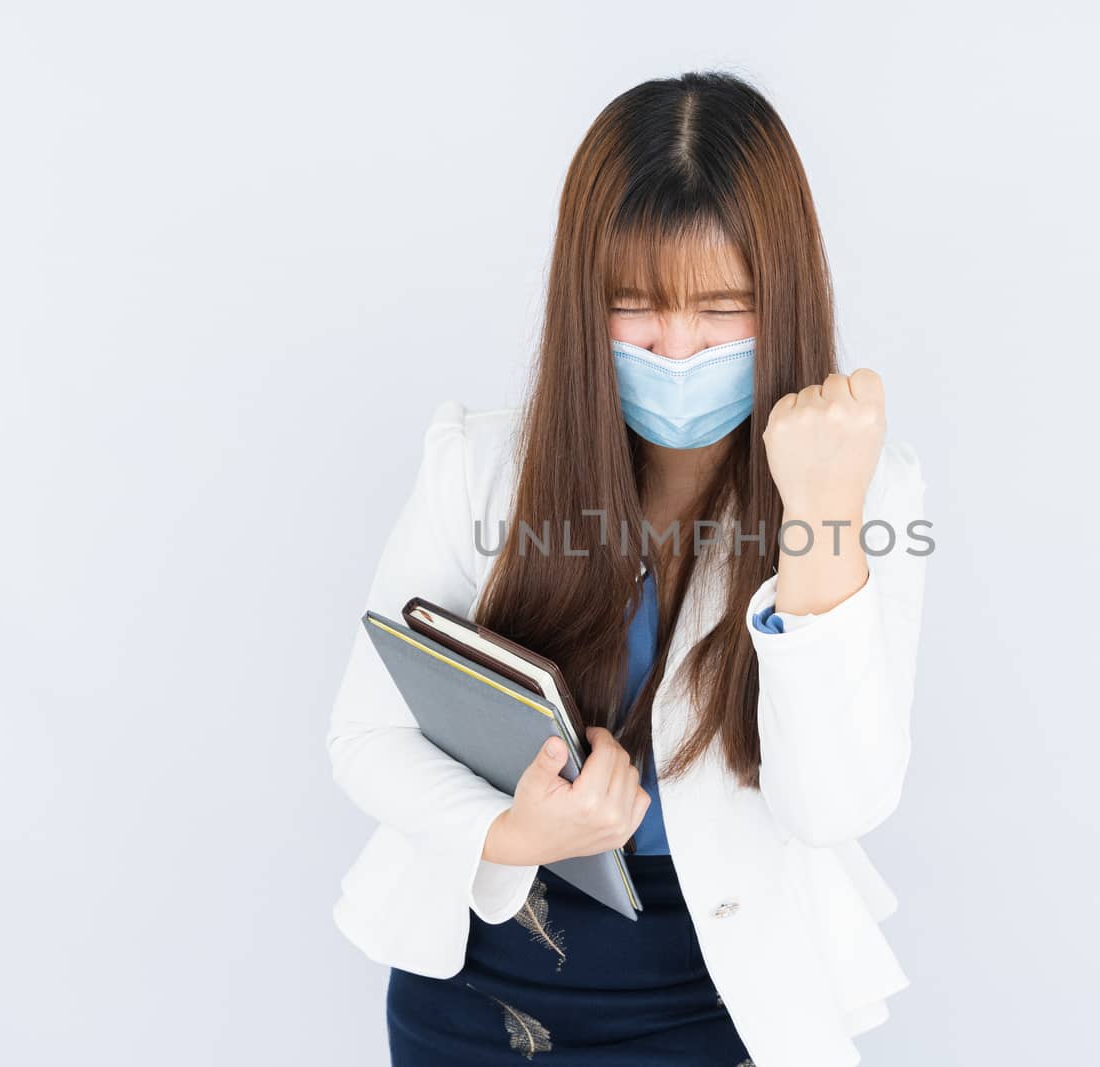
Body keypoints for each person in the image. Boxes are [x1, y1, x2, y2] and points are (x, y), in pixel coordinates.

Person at [326, 69, 930, 1067]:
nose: (679, 349)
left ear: (783, 299)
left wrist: (820, 517)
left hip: (724, 988)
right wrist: (512, 831)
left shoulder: (869, 489)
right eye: (637, 308)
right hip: (481, 985)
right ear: (581, 300)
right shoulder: (477, 463)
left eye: (723, 310)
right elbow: (364, 733)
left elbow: (833, 803)